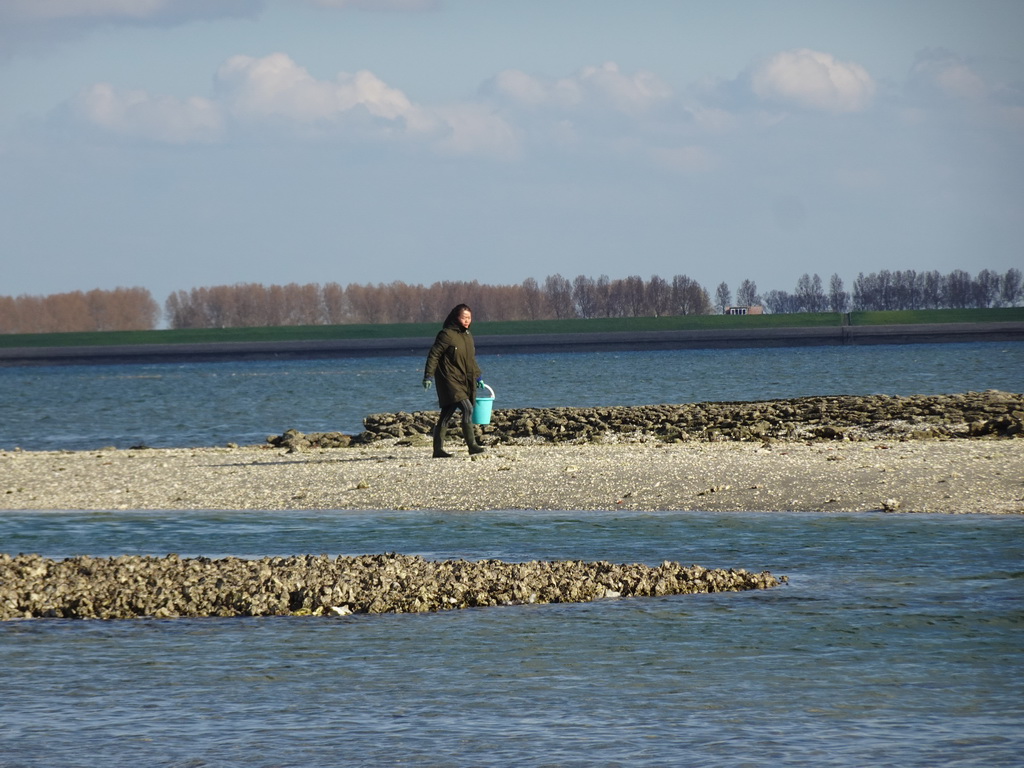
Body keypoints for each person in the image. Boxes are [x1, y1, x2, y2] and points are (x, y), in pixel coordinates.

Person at [423, 303, 487, 458]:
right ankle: (472, 446)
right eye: (464, 317)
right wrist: (428, 376)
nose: (467, 321)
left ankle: (437, 450)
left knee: (447, 413)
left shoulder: (467, 336)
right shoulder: (446, 334)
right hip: (448, 380)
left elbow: (470, 359)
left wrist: (478, 376)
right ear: (456, 317)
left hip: (464, 379)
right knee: (467, 408)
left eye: (469, 318)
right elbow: (434, 355)